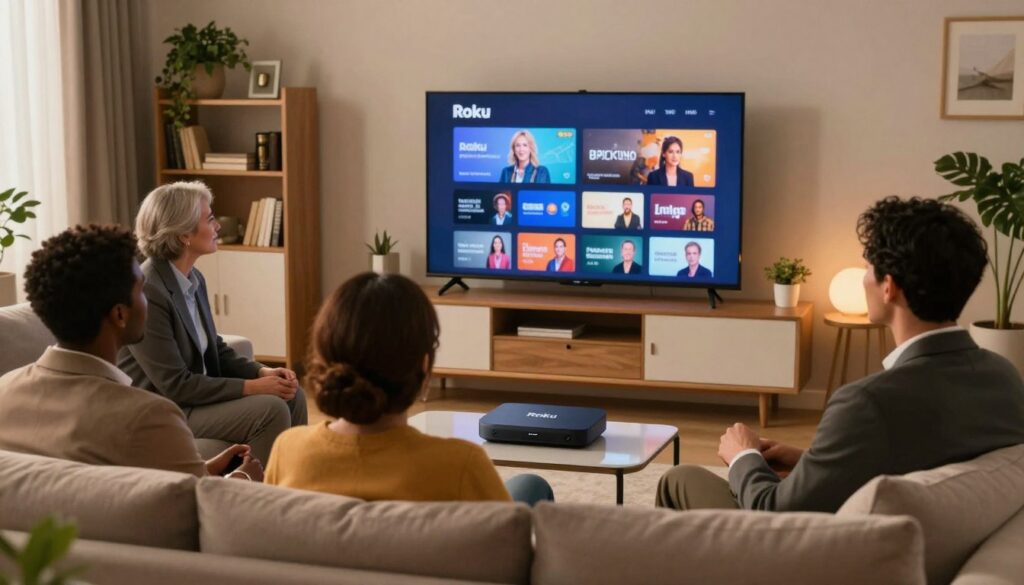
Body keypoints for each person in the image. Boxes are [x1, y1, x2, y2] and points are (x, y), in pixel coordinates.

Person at [656, 196, 1024, 513]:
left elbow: (771, 511)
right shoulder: (1004, 377)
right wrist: (813, 463)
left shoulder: (867, 403)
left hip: (819, 554)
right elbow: (918, 459)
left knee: (679, 478)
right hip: (922, 541)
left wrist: (743, 456)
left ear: (889, 288)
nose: (863, 278)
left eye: (867, 267)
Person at [0, 225, 262, 481]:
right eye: (142, 290)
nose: (148, 301)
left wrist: (204, 469)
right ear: (120, 314)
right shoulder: (149, 416)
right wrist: (243, 477)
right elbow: (197, 503)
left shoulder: (5, 390)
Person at [265, 272, 553, 505]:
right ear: (424, 365)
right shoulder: (461, 465)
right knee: (531, 485)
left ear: (325, 359)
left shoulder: (288, 451)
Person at [118, 181, 307, 465]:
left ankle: (290, 481)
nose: (218, 226)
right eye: (209, 219)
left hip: (195, 399)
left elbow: (215, 349)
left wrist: (263, 371)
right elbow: (175, 385)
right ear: (183, 234)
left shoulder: (193, 278)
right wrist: (254, 387)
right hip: (167, 407)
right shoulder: (149, 291)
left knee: (294, 395)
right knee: (271, 409)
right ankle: (250, 489)